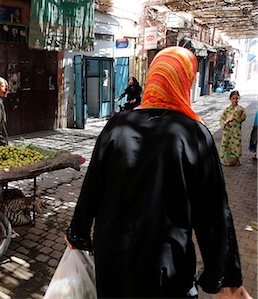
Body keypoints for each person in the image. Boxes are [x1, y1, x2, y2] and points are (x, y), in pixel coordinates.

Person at [65, 47, 251, 299]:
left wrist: (78, 232)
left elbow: (92, 186)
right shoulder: (195, 134)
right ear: (185, 81)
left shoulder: (117, 125)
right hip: (166, 264)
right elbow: (213, 212)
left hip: (114, 255)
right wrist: (227, 276)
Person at [220, 90, 246, 166]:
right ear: (230, 99)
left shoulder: (241, 109)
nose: (235, 100)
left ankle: (237, 159)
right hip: (227, 131)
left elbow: (243, 118)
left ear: (239, 98)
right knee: (226, 144)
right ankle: (224, 159)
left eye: (237, 98)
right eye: (233, 98)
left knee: (236, 144)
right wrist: (225, 123)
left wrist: (238, 116)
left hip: (236, 131)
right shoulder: (227, 109)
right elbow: (222, 118)